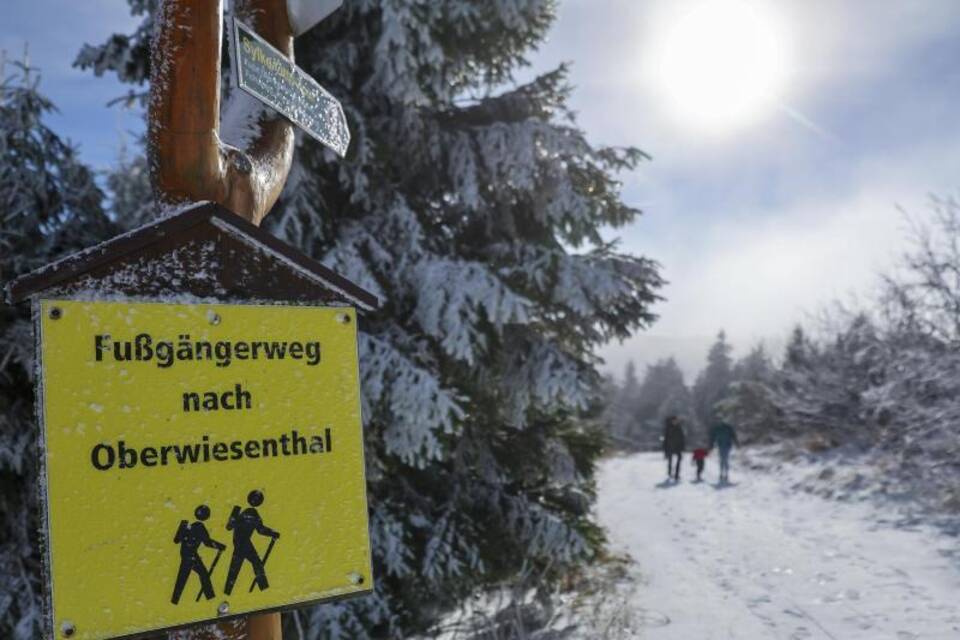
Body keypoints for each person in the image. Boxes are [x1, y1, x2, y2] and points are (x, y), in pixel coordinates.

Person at [223, 489, 280, 595]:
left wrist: (272, 533)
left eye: (257, 499)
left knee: (238, 568)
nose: (255, 500)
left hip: (242, 543)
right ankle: (264, 589)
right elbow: (230, 527)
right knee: (248, 565)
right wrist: (272, 533)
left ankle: (264, 590)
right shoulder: (242, 513)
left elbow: (260, 529)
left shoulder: (253, 514)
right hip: (242, 542)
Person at [171, 504, 226, 605]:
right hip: (191, 555)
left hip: (186, 554)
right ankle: (210, 598)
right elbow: (207, 542)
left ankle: (175, 600)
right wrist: (220, 546)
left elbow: (176, 540)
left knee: (184, 577)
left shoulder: (186, 524)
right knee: (201, 575)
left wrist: (183, 529)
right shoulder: (199, 527)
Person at [709, 418, 740, 483]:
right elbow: (713, 437)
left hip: (725, 446)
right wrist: (737, 444)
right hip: (723, 446)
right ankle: (723, 474)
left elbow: (733, 436)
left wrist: (711, 445)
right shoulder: (720, 428)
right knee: (724, 459)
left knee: (724, 459)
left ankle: (724, 474)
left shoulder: (724, 427)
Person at [662, 415, 686, 481]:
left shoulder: (679, 427)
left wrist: (683, 446)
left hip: (678, 447)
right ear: (671, 421)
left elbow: (682, 437)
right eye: (674, 420)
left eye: (676, 420)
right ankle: (670, 472)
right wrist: (665, 448)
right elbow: (665, 438)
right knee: (670, 460)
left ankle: (676, 474)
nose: (675, 422)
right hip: (670, 446)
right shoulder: (668, 428)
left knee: (679, 459)